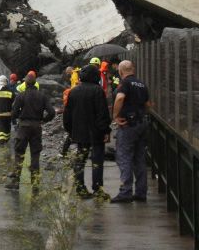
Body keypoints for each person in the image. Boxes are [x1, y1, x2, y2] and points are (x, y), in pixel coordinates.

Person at [64, 64, 112, 200]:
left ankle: (80, 188)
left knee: (80, 160)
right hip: (96, 133)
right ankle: (97, 189)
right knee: (97, 161)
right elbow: (102, 113)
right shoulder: (98, 91)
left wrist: (70, 130)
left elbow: (67, 114)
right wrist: (106, 130)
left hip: (79, 132)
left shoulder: (73, 91)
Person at [110, 60, 152, 203]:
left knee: (124, 157)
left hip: (128, 124)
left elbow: (120, 98)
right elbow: (148, 104)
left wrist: (115, 116)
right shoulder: (142, 84)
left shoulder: (125, 83)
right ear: (133, 69)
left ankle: (125, 192)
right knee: (139, 158)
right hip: (142, 123)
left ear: (121, 71)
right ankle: (141, 192)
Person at [6, 71, 55, 192]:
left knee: (19, 154)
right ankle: (35, 184)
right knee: (35, 155)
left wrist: (18, 116)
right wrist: (44, 120)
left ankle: (15, 183)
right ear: (35, 83)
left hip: (23, 127)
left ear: (26, 84)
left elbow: (14, 113)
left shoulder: (21, 96)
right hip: (36, 127)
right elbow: (52, 112)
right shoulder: (42, 96)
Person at [0, 76, 15, 154]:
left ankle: (1, 142)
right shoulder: (10, 91)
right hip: (8, 113)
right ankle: (6, 140)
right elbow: (14, 100)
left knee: (0, 127)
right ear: (6, 82)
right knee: (7, 127)